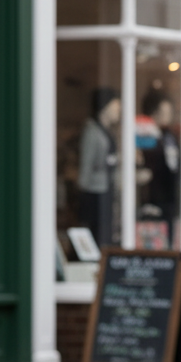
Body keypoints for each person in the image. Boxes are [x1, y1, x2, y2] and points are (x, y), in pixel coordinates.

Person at [78, 87, 120, 247]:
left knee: (106, 232)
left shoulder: (109, 131)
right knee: (95, 232)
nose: (118, 111)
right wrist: (83, 191)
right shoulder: (92, 131)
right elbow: (86, 163)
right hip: (94, 192)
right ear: (105, 107)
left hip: (107, 188)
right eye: (115, 107)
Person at [139, 88, 180, 246]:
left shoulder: (169, 136)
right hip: (154, 193)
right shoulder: (146, 135)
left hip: (171, 194)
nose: (168, 116)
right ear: (154, 113)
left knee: (169, 233)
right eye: (164, 111)